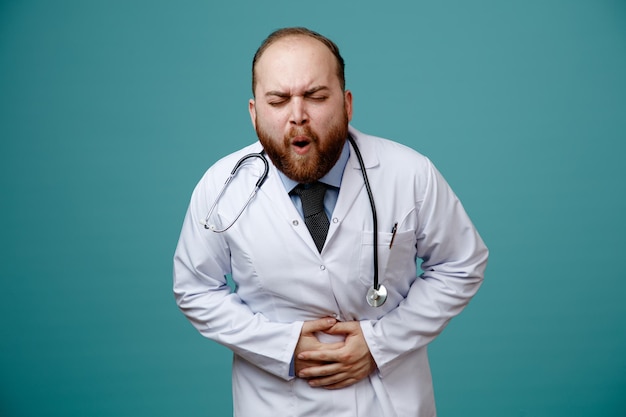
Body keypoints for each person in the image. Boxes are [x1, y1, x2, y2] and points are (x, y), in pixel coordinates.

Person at [173, 27, 488, 417]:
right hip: (275, 404)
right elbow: (194, 288)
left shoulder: (409, 173)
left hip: (390, 403)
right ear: (254, 113)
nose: (297, 116)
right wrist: (282, 346)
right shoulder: (221, 187)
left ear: (347, 103)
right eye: (278, 100)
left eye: (316, 96)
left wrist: (380, 344)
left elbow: (462, 263)